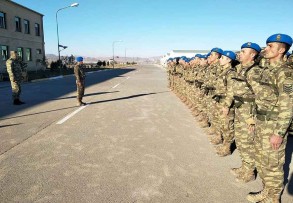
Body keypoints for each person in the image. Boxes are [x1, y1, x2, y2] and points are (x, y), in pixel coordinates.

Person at [247, 34, 293, 203]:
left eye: (271, 46)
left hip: (273, 126)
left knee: (273, 165)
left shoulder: (285, 73)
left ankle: (273, 198)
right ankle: (267, 191)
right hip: (261, 123)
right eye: (266, 45)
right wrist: (253, 119)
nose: (266, 49)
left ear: (281, 50)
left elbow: (288, 105)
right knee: (261, 161)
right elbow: (258, 98)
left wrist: (279, 133)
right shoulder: (267, 70)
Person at [224, 42, 262, 183]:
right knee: (240, 141)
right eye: (240, 51)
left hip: (249, 114)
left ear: (252, 55)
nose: (240, 53)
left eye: (243, 51)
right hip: (239, 111)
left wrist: (253, 118)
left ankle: (250, 172)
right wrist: (227, 105)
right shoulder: (238, 69)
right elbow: (232, 90)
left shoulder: (255, 72)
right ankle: (245, 167)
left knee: (248, 143)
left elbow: (262, 97)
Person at [213, 50, 237, 156]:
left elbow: (231, 91)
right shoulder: (223, 71)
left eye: (222, 58)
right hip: (220, 101)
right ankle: (222, 142)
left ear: (228, 60)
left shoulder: (230, 73)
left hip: (226, 103)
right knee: (222, 124)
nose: (220, 59)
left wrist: (227, 105)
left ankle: (227, 148)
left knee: (227, 126)